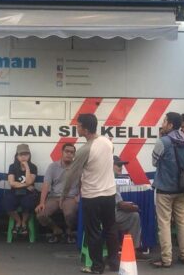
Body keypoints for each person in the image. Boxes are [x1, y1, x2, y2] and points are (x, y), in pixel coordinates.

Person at [63, 114, 118, 274]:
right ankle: (114, 263)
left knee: (93, 232)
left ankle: (97, 267)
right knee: (110, 228)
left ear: (85, 129)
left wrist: (63, 195)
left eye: (78, 125)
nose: (76, 128)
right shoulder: (107, 142)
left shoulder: (85, 150)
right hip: (109, 194)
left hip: (92, 196)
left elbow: (71, 175)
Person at [150, 112, 184, 268]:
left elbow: (154, 162)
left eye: (164, 121)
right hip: (181, 188)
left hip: (164, 189)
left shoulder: (163, 142)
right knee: (182, 222)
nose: (162, 123)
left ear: (170, 124)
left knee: (164, 224)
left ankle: (166, 259)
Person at [36, 142, 79, 244]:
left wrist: (79, 196)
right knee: (41, 214)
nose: (69, 154)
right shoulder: (53, 166)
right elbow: (46, 185)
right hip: (54, 197)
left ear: (74, 155)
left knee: (69, 215)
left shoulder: (78, 167)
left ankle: (69, 231)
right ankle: (56, 230)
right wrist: (42, 202)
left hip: (70, 197)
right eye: (67, 151)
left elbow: (84, 184)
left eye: (72, 152)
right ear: (62, 152)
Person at [112, 156, 146, 259]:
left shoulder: (114, 179)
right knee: (134, 216)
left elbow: (118, 202)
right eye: (118, 165)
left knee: (132, 214)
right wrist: (133, 207)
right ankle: (133, 249)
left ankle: (126, 247)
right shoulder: (111, 180)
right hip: (108, 214)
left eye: (121, 165)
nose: (121, 167)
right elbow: (120, 204)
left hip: (106, 212)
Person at [3, 144, 39, 237]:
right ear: (17, 156)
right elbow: (12, 183)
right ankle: (18, 221)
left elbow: (29, 181)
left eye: (26, 154)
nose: (23, 157)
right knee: (7, 202)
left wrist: (27, 168)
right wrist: (26, 186)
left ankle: (24, 223)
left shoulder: (33, 167)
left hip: (28, 193)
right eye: (21, 154)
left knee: (28, 203)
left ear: (29, 155)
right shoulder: (12, 166)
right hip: (15, 191)